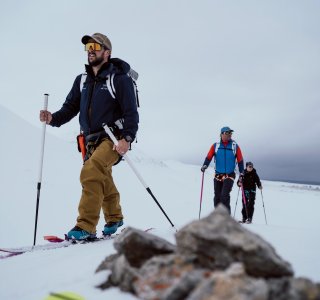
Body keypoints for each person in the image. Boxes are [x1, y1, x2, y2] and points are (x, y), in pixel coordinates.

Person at [39, 33, 139, 240]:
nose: (91, 50)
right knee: (103, 176)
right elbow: (70, 108)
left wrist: (127, 139)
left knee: (91, 171)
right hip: (89, 140)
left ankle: (85, 226)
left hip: (113, 137)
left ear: (107, 52)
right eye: (88, 47)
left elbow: (131, 111)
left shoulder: (119, 79)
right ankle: (114, 218)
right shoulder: (82, 80)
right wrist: (52, 118)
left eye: (95, 46)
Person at [201, 126, 244, 213]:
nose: (229, 135)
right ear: (221, 134)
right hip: (218, 174)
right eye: (227, 133)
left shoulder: (235, 146)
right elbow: (209, 157)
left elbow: (240, 160)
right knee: (217, 197)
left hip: (230, 174)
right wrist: (205, 165)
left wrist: (242, 173)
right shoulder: (215, 146)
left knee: (224, 195)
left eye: (230, 133)